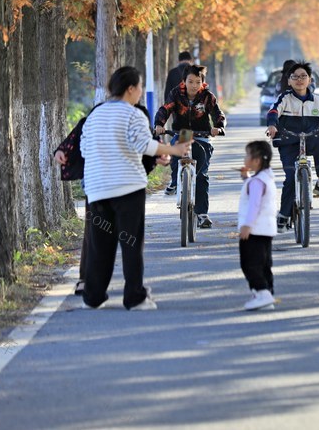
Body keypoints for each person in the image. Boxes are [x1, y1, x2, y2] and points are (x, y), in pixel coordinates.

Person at [79, 66, 192, 310]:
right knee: (130, 243)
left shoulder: (94, 114)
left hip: (97, 189)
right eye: (140, 87)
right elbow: (144, 144)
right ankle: (135, 297)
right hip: (127, 188)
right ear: (130, 89)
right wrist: (173, 150)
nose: (141, 92)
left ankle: (93, 297)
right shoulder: (132, 114)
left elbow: (84, 149)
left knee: (100, 246)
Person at [54, 101, 157, 297]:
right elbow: (76, 136)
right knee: (94, 234)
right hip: (98, 184)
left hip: (125, 186)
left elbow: (150, 143)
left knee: (129, 238)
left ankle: (132, 288)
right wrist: (62, 150)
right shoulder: (98, 113)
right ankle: (87, 281)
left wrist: (160, 156)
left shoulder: (138, 114)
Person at [154, 64, 226, 228]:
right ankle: (174, 181)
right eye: (190, 81)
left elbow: (218, 114)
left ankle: (202, 214)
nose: (194, 85)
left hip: (202, 135)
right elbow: (165, 110)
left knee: (202, 175)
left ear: (202, 82)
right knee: (175, 155)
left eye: (197, 82)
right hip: (183, 133)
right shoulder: (176, 94)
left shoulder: (207, 96)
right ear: (184, 81)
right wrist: (159, 124)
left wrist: (219, 127)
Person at [266, 61, 319, 232]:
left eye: (303, 76)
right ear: (289, 81)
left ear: (310, 80)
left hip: (310, 139)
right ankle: (284, 215)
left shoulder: (318, 101)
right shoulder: (285, 98)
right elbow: (273, 112)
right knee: (290, 178)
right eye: (295, 77)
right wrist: (273, 126)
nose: (299, 80)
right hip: (289, 142)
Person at [238, 140, 278, 311]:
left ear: (256, 161)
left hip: (254, 230)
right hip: (266, 230)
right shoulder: (265, 177)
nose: (244, 158)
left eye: (247, 155)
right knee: (264, 263)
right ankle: (266, 292)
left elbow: (254, 204)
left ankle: (262, 292)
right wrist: (246, 178)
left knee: (250, 263)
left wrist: (247, 225)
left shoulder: (256, 182)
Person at [163, 50, 194, 195]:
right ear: (190, 60)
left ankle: (175, 181)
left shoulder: (173, 73)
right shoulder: (197, 72)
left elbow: (166, 97)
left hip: (178, 119)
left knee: (177, 146)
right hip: (197, 119)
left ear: (179, 60)